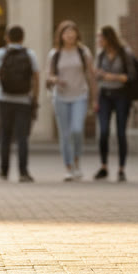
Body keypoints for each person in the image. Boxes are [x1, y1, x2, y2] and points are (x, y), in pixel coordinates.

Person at [0, 25, 40, 183]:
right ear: (22, 38)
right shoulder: (30, 54)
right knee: (22, 137)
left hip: (4, 99)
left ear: (7, 37)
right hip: (24, 100)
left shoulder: (0, 54)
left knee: (5, 135)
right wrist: (34, 98)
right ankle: (23, 172)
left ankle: (4, 171)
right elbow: (36, 78)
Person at [45, 20, 96, 182]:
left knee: (77, 130)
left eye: (72, 32)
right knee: (65, 134)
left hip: (80, 95)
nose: (70, 35)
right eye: (66, 32)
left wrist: (95, 98)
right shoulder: (55, 53)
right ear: (61, 35)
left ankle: (77, 162)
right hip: (60, 97)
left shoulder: (84, 52)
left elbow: (91, 76)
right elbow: (49, 75)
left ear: (76, 34)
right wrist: (56, 80)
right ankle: (68, 168)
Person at [92, 25, 134, 182]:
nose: (98, 41)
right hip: (104, 96)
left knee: (121, 133)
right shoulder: (100, 55)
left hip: (121, 96)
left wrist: (110, 77)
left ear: (108, 38)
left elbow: (130, 76)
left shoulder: (125, 54)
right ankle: (104, 167)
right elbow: (97, 79)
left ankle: (121, 169)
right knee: (103, 132)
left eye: (100, 38)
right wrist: (95, 99)